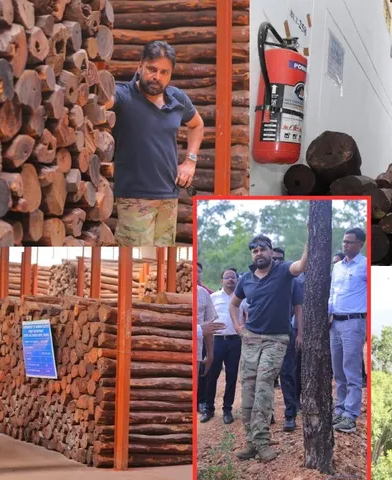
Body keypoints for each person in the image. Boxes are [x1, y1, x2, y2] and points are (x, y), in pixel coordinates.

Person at [107, 40, 205, 246]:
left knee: (163, 261)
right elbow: (103, 101)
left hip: (168, 197)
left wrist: (190, 161)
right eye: (152, 69)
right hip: (134, 199)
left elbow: (197, 125)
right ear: (139, 66)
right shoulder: (123, 96)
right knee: (134, 261)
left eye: (164, 72)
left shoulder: (177, 98)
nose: (157, 77)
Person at [229, 234, 308, 462]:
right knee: (248, 390)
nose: (259, 253)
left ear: (271, 251)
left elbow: (302, 265)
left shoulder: (283, 271)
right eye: (254, 251)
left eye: (262, 249)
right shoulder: (245, 279)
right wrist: (238, 326)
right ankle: (251, 443)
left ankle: (263, 442)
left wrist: (309, 235)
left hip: (277, 339)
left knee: (264, 386)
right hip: (251, 338)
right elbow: (234, 304)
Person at [329, 228, 368, 433]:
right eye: (344, 241)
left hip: (354, 322)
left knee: (351, 370)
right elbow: (332, 293)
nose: (345, 245)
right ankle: (340, 409)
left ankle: (351, 416)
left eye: (350, 242)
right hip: (335, 322)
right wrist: (328, 312)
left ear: (360, 244)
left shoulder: (365, 265)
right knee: (338, 371)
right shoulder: (337, 267)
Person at [201, 268, 241, 424]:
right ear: (221, 281)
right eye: (227, 277)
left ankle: (227, 409)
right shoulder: (213, 297)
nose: (230, 280)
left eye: (233, 277)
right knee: (212, 375)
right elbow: (207, 319)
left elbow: (246, 317)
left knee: (231, 376)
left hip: (234, 341)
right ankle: (209, 408)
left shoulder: (241, 298)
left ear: (237, 280)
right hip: (216, 341)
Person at [272, 248, 304, 432]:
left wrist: (299, 333)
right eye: (274, 258)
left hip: (286, 333)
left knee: (287, 374)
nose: (277, 261)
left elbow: (298, 308)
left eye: (280, 259)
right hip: (262, 335)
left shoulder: (292, 281)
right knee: (265, 377)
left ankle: (290, 415)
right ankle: (266, 415)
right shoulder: (259, 278)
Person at [196, 284, 218, 415]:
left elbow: (209, 327)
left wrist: (210, 354)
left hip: (197, 352)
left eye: (198, 270)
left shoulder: (203, 293)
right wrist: (199, 329)